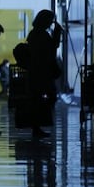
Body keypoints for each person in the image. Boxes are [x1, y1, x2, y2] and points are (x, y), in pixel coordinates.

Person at [26, 9, 62, 137]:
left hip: (36, 71)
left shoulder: (34, 34)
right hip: (41, 72)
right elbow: (50, 51)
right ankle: (37, 126)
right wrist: (57, 36)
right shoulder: (42, 35)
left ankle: (37, 127)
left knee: (38, 98)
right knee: (46, 97)